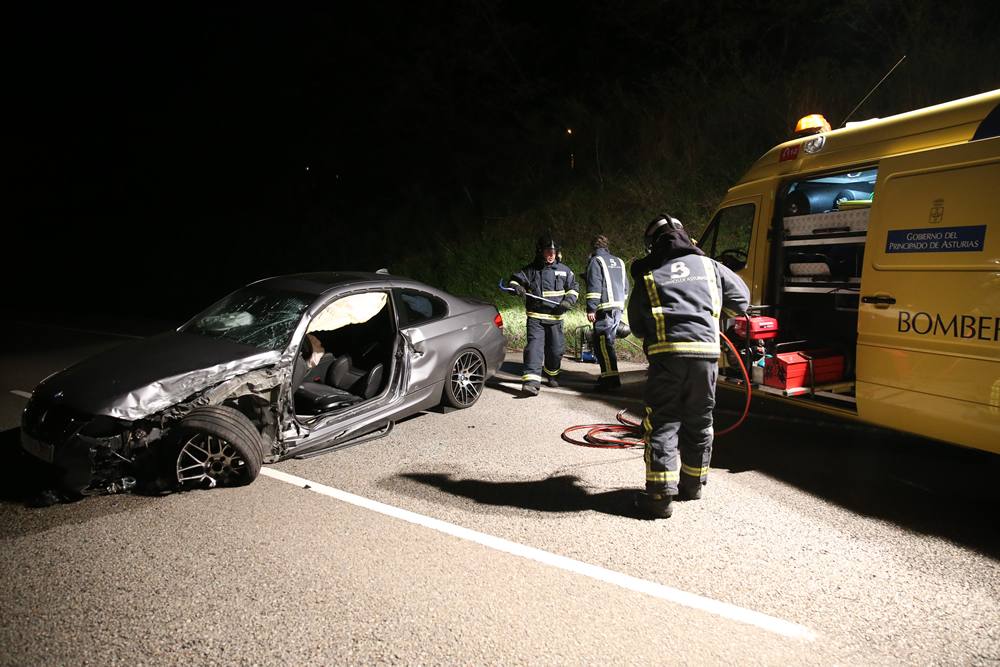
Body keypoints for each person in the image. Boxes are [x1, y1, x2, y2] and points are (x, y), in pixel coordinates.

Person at [627, 214, 749, 518]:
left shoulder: (649, 274)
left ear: (654, 243)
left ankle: (659, 497)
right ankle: (693, 485)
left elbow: (637, 325)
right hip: (706, 356)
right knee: (699, 420)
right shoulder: (711, 267)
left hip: (667, 356)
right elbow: (741, 301)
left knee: (664, 422)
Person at [509, 235, 579, 396]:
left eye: (554, 251)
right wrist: (517, 288)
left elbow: (573, 289)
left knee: (556, 350)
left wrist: (568, 302)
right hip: (536, 318)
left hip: (556, 319)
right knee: (534, 348)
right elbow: (514, 281)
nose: (551, 254)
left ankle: (552, 374)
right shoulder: (531, 270)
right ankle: (531, 383)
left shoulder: (565, 271)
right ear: (540, 251)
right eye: (548, 251)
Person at [585, 234, 629, 391]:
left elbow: (594, 286)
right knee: (608, 343)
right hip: (618, 308)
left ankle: (610, 380)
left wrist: (591, 308)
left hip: (604, 309)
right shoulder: (619, 261)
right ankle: (608, 374)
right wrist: (620, 304)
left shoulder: (596, 261)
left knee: (603, 344)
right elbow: (625, 287)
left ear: (594, 247)